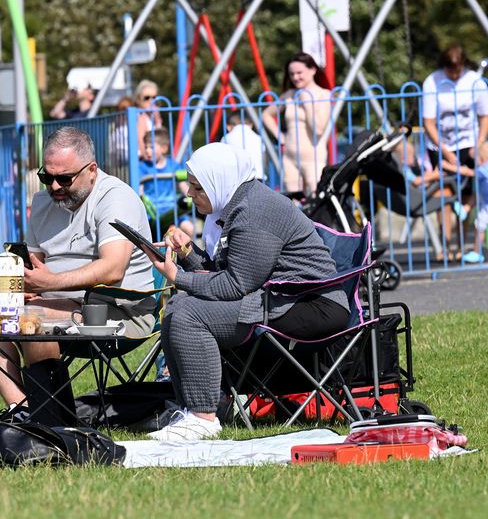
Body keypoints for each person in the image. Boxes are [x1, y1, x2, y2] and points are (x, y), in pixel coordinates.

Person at [145, 143, 350, 441]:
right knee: (180, 306)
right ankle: (193, 410)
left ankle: (204, 417)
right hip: (282, 296)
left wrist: (178, 276)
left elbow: (234, 285)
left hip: (311, 305)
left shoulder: (254, 211)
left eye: (197, 187)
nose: (189, 194)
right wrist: (188, 252)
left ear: (219, 182)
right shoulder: (240, 203)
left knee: (187, 313)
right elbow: (226, 273)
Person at [0, 127, 157, 420]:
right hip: (61, 304)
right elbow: (34, 263)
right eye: (47, 177)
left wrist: (49, 283)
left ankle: (51, 415)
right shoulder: (43, 202)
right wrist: (22, 284)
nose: (54, 186)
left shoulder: (116, 198)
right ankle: (23, 410)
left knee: (29, 320)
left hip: (117, 310)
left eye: (64, 178)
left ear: (91, 170)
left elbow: (113, 269)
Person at [421, 45, 488, 260]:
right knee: (442, 195)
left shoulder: (475, 82)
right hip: (440, 144)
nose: (454, 75)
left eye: (458, 70)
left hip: (468, 144)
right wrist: (445, 151)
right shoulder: (432, 82)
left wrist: (479, 143)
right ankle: (444, 246)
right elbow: (428, 122)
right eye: (450, 70)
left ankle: (463, 245)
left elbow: (485, 115)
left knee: (465, 197)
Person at [262, 52, 332, 193]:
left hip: (314, 158)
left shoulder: (323, 94)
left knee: (315, 198)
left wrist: (307, 102)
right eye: (291, 74)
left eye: (299, 73)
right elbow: (266, 115)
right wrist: (280, 136)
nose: (295, 77)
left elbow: (318, 129)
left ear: (312, 70)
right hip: (290, 158)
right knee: (293, 202)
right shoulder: (289, 95)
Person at [138, 127, 193, 239]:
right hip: (154, 212)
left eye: (152, 147)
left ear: (164, 148)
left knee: (189, 228)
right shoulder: (142, 167)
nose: (147, 150)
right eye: (146, 147)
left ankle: (187, 256)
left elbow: (183, 186)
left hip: (173, 208)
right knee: (171, 230)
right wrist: (142, 197)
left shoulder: (173, 165)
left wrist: (191, 197)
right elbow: (140, 189)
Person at [222, 112, 265, 180]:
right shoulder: (259, 138)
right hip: (258, 176)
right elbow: (264, 159)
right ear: (251, 124)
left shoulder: (226, 138)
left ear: (228, 127)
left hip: (237, 179)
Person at [134, 79, 163, 153]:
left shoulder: (152, 116)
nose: (151, 101)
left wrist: (157, 120)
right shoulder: (139, 118)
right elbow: (142, 146)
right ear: (138, 99)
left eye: (154, 97)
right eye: (147, 98)